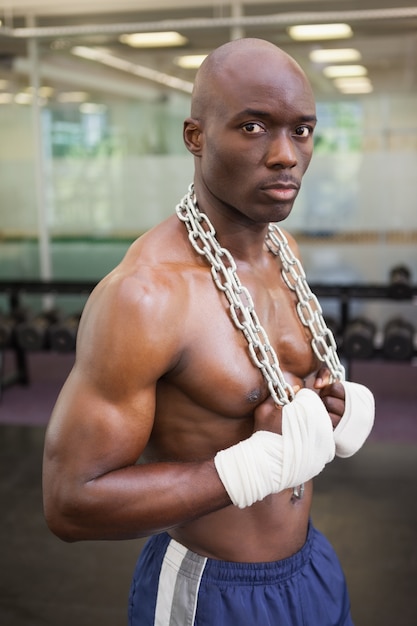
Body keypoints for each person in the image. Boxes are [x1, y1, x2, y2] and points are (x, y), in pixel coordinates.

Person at [43, 38, 374, 625]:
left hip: (312, 566)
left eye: (301, 130)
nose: (285, 155)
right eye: (253, 127)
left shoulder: (282, 249)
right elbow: (71, 502)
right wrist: (255, 466)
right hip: (210, 593)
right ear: (195, 136)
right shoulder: (145, 296)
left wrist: (335, 406)